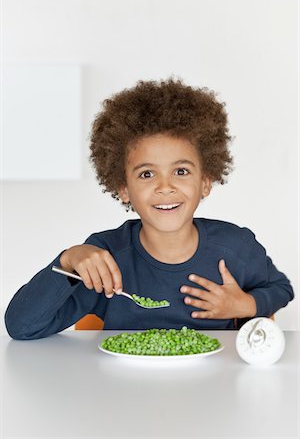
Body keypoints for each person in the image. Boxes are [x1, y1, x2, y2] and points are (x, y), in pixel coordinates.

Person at [5, 77, 294, 340]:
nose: (165, 186)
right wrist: (68, 262)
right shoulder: (105, 258)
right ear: (123, 188)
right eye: (146, 174)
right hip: (122, 392)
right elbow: (22, 327)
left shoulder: (236, 248)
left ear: (205, 182)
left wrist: (244, 304)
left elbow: (281, 289)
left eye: (181, 171)